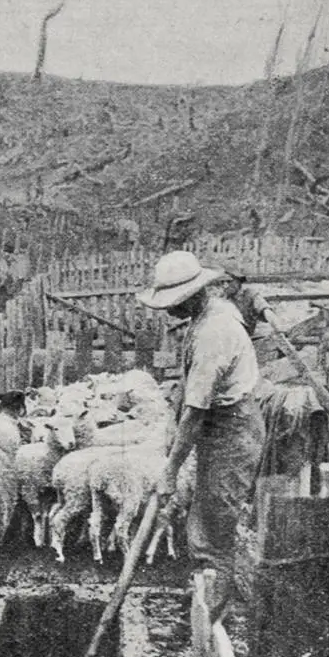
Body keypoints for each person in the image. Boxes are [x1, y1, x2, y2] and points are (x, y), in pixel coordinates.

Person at [137, 250, 265, 620]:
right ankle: (202, 604)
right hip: (221, 425)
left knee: (213, 529)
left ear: (193, 294)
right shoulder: (213, 310)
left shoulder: (213, 334)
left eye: (172, 303)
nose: (167, 311)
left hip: (232, 431)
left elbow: (196, 411)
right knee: (204, 521)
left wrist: (170, 471)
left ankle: (211, 620)